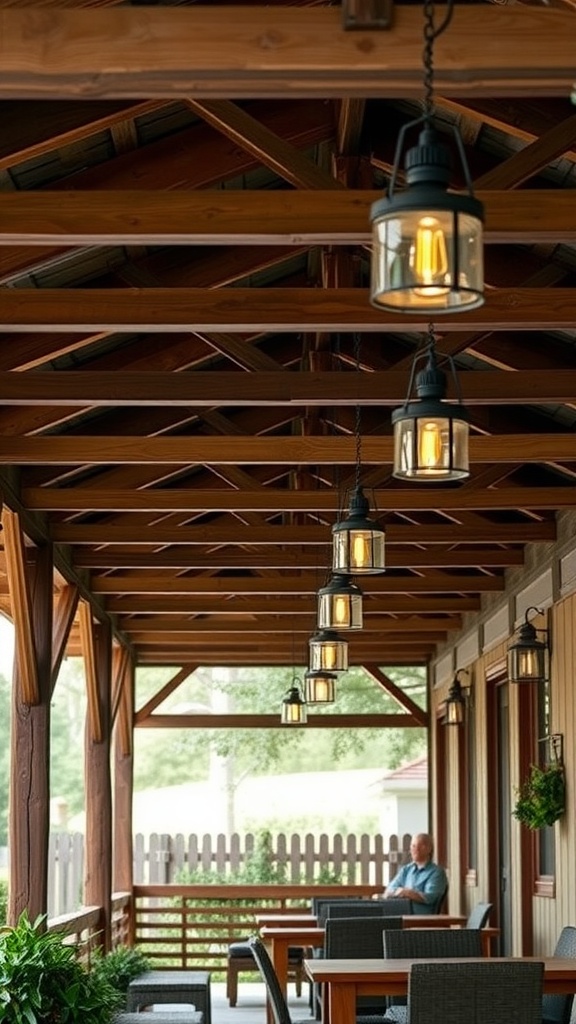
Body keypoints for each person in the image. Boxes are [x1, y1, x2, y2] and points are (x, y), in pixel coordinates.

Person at [383, 832, 447, 914]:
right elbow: (389, 890)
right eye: (412, 846)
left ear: (428, 849)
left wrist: (408, 893)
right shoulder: (406, 870)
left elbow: (430, 897)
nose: (413, 850)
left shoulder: (436, 872)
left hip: (420, 917)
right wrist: (400, 891)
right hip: (401, 911)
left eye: (417, 846)